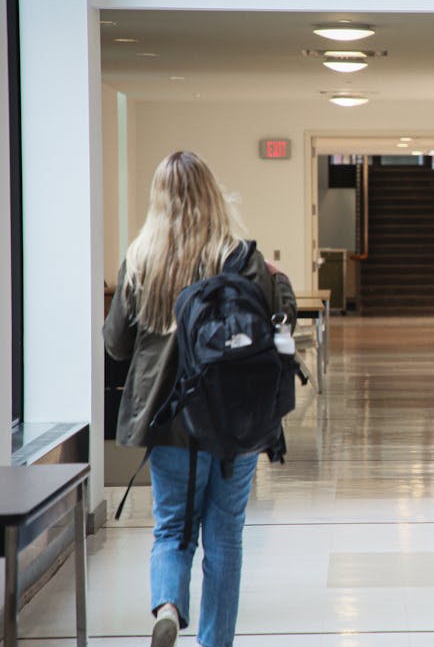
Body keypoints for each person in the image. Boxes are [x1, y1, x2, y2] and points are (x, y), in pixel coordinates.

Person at [103, 151, 296, 647]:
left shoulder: (141, 258)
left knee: (172, 528)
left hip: (169, 420)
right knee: (225, 535)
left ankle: (168, 605)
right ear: (213, 194)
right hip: (234, 416)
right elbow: (279, 326)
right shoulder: (244, 258)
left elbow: (116, 345)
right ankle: (215, 641)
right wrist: (278, 281)